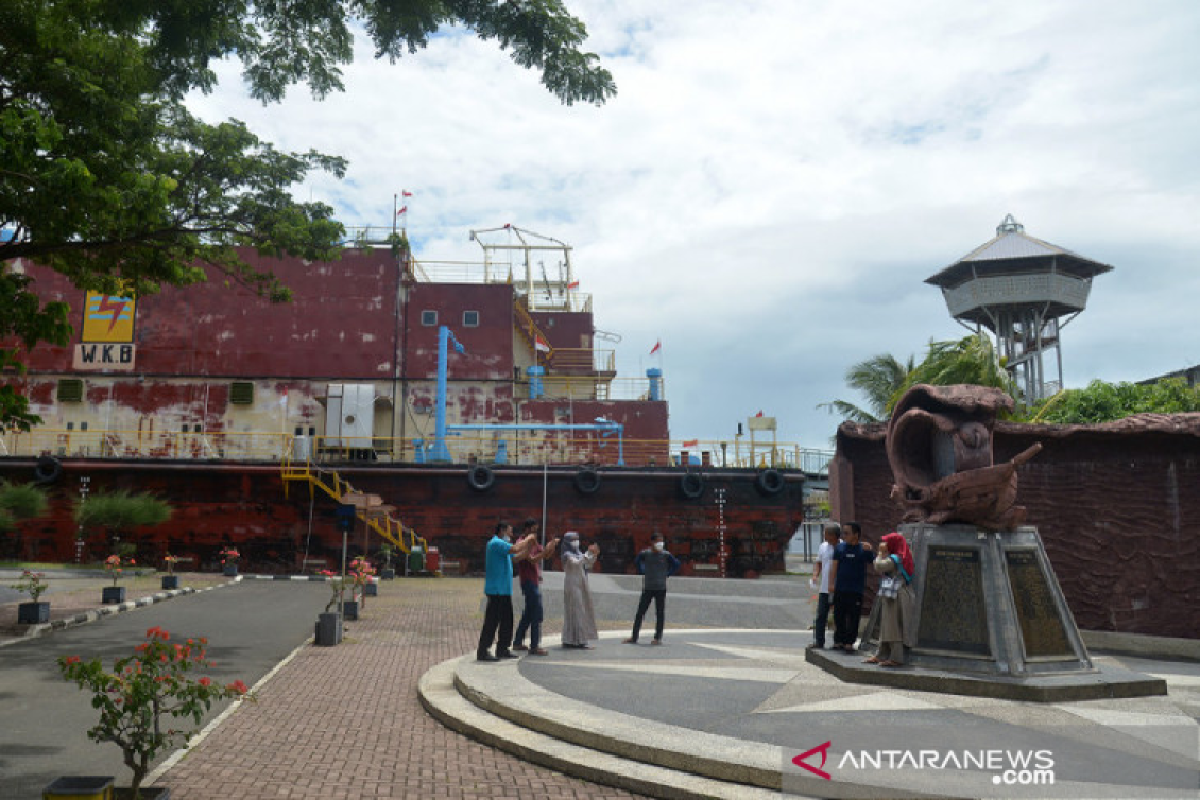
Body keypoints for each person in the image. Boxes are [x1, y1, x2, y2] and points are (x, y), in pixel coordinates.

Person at [477, 521, 535, 662]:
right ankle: (483, 651)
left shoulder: (502, 548)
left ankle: (502, 648)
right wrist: (528, 539)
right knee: (492, 621)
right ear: (502, 531)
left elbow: (515, 557)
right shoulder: (495, 543)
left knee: (507, 621)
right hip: (496, 590)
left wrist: (528, 548)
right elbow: (515, 549)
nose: (511, 535)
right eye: (509, 532)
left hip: (504, 591)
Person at [864, 532, 916, 667]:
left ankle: (896, 658)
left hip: (896, 596)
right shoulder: (903, 556)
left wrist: (880, 554)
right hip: (894, 594)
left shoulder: (894, 559)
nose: (884, 544)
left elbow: (879, 566)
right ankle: (881, 654)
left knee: (893, 627)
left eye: (887, 542)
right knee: (887, 625)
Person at [624, 532, 681, 645]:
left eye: (661, 541)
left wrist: (668, 573)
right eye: (658, 541)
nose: (660, 544)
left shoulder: (666, 555)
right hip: (648, 587)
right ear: (652, 542)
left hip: (661, 588)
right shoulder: (646, 554)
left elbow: (676, 564)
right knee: (640, 612)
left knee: (660, 613)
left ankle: (657, 637)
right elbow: (637, 561)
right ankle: (634, 637)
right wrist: (642, 570)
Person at [512, 518, 559, 656]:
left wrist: (551, 546)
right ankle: (534, 646)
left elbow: (545, 555)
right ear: (527, 529)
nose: (535, 533)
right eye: (533, 530)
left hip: (533, 581)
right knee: (536, 613)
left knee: (528, 614)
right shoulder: (522, 543)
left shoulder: (533, 542)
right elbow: (533, 559)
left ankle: (517, 642)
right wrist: (545, 552)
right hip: (528, 581)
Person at [826, 521, 873, 653]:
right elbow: (834, 567)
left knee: (853, 617)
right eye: (843, 533)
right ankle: (838, 640)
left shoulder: (863, 549)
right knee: (838, 616)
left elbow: (874, 561)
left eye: (847, 533)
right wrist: (831, 583)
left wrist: (870, 548)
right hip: (840, 588)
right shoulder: (840, 548)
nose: (844, 535)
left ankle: (849, 642)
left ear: (856, 535)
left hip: (855, 590)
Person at [559, 531, 600, 648]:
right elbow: (576, 563)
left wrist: (593, 554)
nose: (576, 542)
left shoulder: (579, 553)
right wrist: (587, 554)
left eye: (577, 539)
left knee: (581, 611)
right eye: (573, 540)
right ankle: (574, 640)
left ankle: (576, 639)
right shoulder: (567, 555)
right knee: (575, 611)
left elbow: (587, 562)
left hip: (581, 583)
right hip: (572, 584)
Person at [808, 523, 841, 649]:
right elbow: (819, 563)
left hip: (839, 587)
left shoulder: (843, 546)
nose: (824, 536)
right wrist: (815, 575)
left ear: (833, 535)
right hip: (825, 588)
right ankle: (819, 641)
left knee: (839, 615)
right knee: (821, 615)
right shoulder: (823, 546)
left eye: (826, 534)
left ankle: (838, 641)